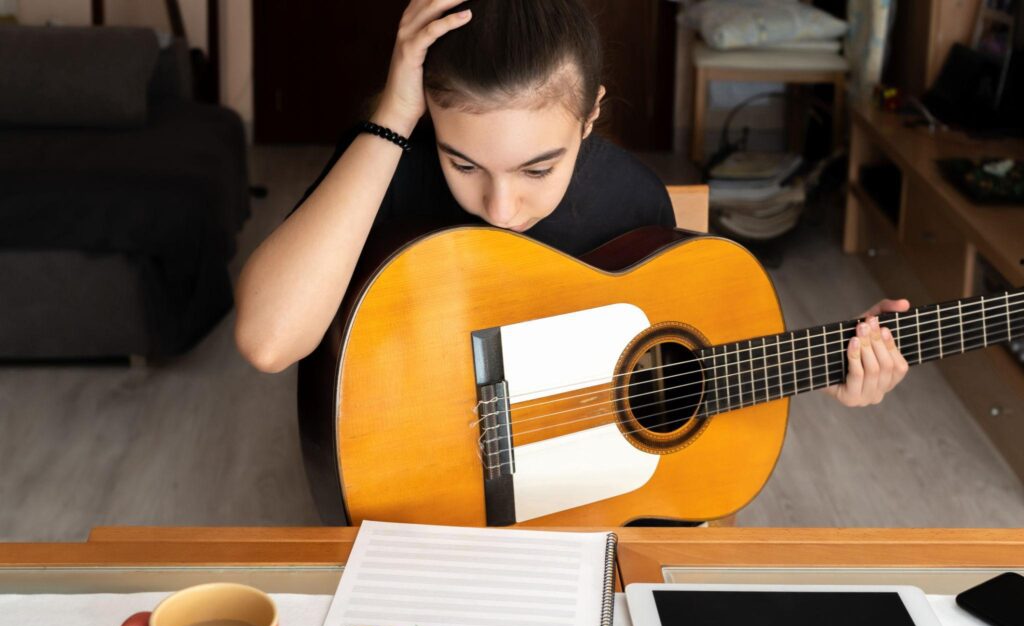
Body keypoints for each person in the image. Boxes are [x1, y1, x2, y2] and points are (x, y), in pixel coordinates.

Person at [234, 0, 909, 408]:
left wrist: (826, 370)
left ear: (590, 119)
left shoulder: (631, 203)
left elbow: (655, 379)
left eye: (538, 166)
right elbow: (268, 341)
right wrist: (395, 114)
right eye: (462, 161)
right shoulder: (387, 162)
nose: (500, 205)